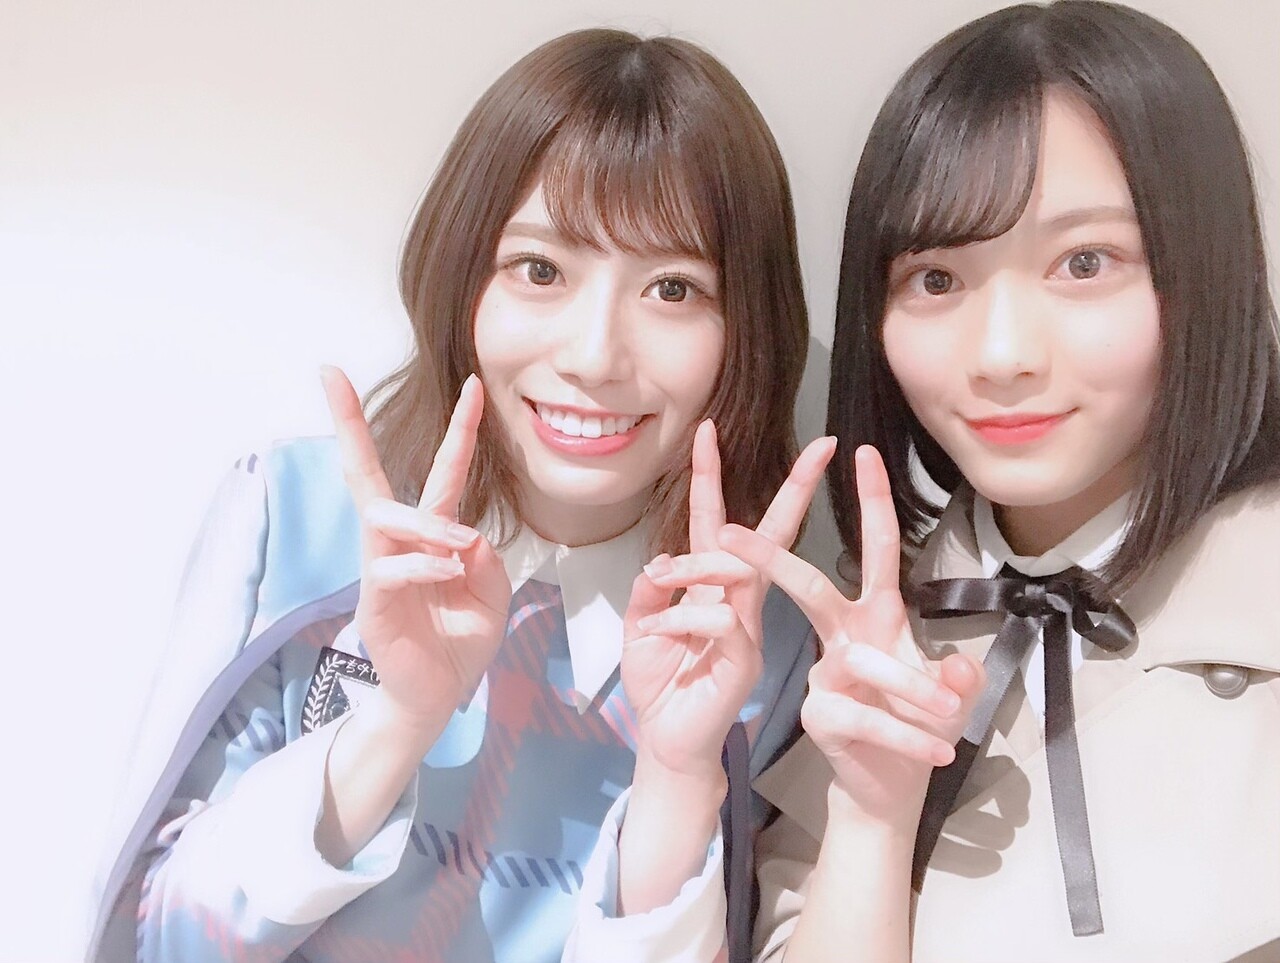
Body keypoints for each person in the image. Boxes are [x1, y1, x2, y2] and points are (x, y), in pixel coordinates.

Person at [86, 28, 829, 963]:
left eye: (673, 288)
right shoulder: (295, 521)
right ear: (461, 276)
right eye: (541, 270)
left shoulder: (752, 641)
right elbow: (150, 942)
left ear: (747, 327)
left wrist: (678, 776)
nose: (595, 355)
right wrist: (396, 722)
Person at [576, 2, 1280, 960]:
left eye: (1085, 262)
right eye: (938, 279)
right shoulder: (869, 650)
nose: (1002, 354)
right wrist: (871, 814)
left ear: (1206, 268)